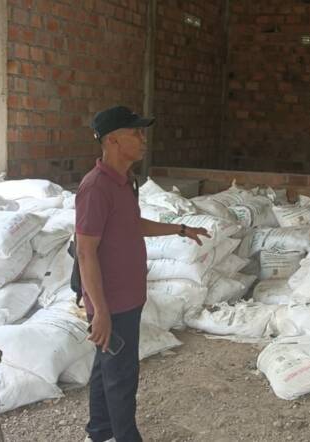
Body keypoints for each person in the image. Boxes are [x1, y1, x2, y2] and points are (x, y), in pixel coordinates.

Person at [76, 105, 209, 442]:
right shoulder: (95, 188)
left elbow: (130, 225)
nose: (142, 139)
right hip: (112, 302)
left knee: (106, 366)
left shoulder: (124, 182)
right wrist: (100, 310)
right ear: (113, 140)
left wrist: (179, 229)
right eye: (135, 132)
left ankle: (100, 431)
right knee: (122, 376)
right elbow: (85, 250)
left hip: (127, 297)